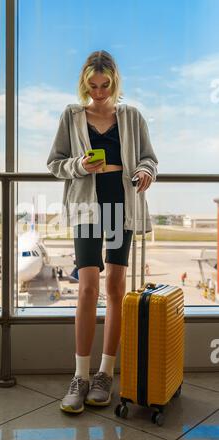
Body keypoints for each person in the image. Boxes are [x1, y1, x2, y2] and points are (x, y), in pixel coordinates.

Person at [47, 50, 158, 414]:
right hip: (86, 209)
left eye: (104, 85)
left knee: (114, 290)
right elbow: (55, 164)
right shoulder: (72, 116)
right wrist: (79, 163)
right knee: (87, 288)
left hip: (120, 209)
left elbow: (149, 158)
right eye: (92, 85)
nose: (97, 91)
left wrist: (144, 172)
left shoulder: (131, 116)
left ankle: (105, 374)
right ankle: (80, 376)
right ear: (84, 82)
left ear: (114, 82)